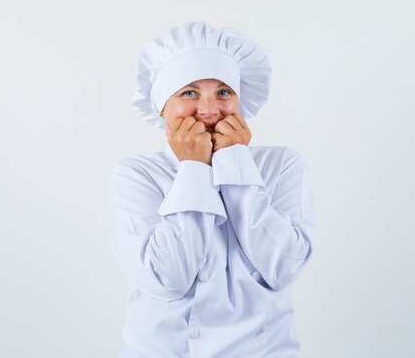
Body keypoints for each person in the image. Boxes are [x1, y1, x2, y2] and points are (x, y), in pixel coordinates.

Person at [108, 21, 316, 358]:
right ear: (163, 108)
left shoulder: (281, 165)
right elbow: (168, 278)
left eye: (224, 92)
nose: (209, 109)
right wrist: (194, 168)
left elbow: (283, 267)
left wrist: (235, 164)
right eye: (188, 93)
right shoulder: (135, 175)